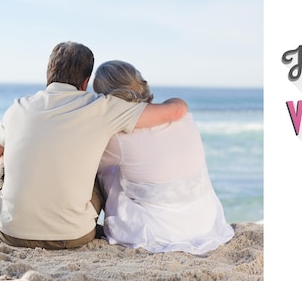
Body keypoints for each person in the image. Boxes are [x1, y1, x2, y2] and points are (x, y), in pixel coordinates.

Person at [0, 41, 188, 250]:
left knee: (4, 158)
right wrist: (177, 99)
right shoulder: (102, 107)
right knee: (99, 167)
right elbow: (176, 111)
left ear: (48, 73)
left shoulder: (18, 108)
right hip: (75, 235)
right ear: (85, 81)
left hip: (10, 233)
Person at [93, 60, 234, 254]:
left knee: (106, 171)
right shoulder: (183, 117)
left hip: (159, 231)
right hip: (205, 220)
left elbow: (94, 168)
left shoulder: (118, 137)